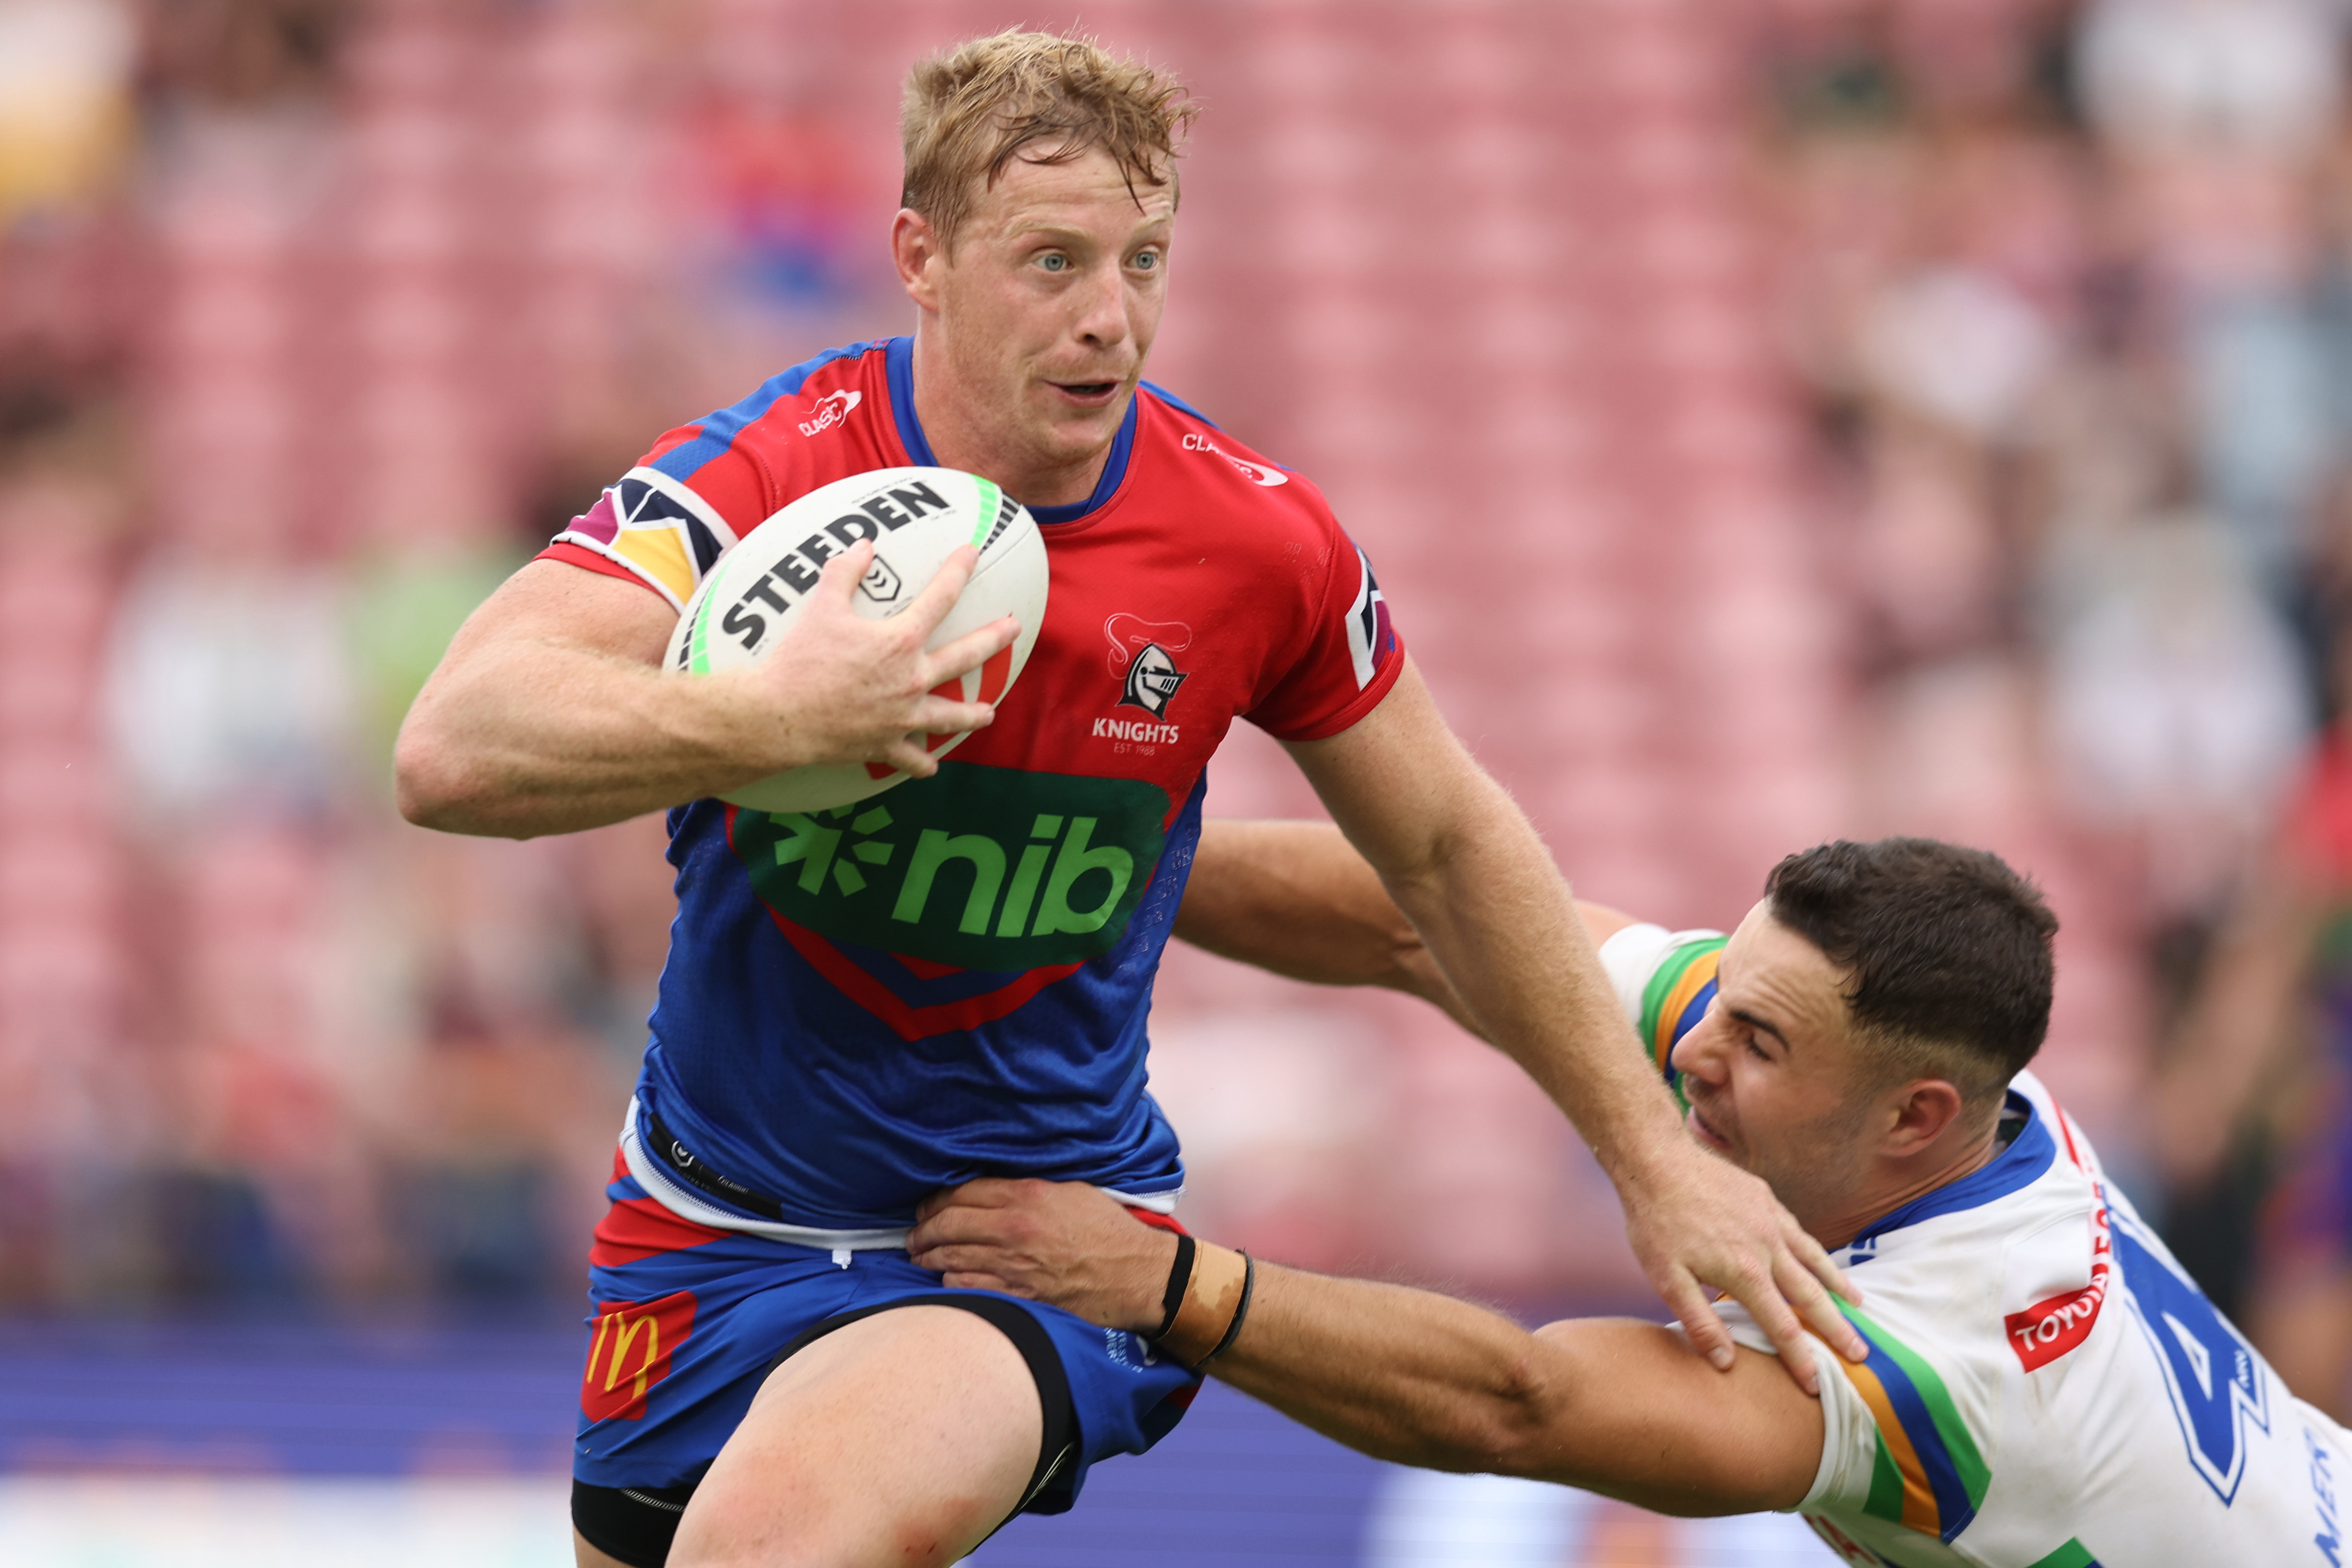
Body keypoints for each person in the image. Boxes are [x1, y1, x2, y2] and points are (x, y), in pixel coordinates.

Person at [395, 32, 1857, 1568]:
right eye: (1052, 261)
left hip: (1027, 1242)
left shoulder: (1259, 543)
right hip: (707, 1224)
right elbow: (453, 749)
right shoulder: (776, 476)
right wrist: (774, 713)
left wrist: (1656, 1169)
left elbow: (1442, 845)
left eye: (1144, 258)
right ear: (923, 257)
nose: (1112, 320)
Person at [916, 829, 2352, 1566]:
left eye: (1763, 1043)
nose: (1696, 1052)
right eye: (1723, 994)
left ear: (1916, 1118)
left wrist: (1165, 1285)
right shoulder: (1963, 1107)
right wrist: (1069, 870)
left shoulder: (1944, 1369)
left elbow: (1520, 1403)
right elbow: (1441, 929)